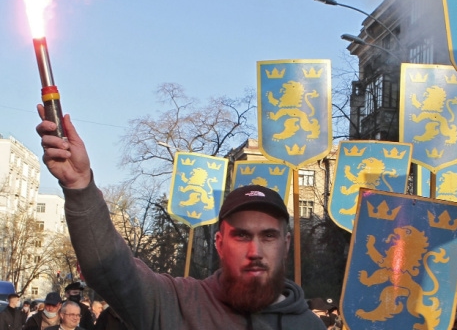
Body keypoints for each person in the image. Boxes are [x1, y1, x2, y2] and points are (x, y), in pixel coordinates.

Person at [36, 109, 325, 330]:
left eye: (269, 236)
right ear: (219, 243)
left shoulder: (309, 325)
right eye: (241, 235)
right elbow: (112, 269)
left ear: (286, 244)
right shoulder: (177, 303)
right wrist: (80, 187)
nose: (255, 251)